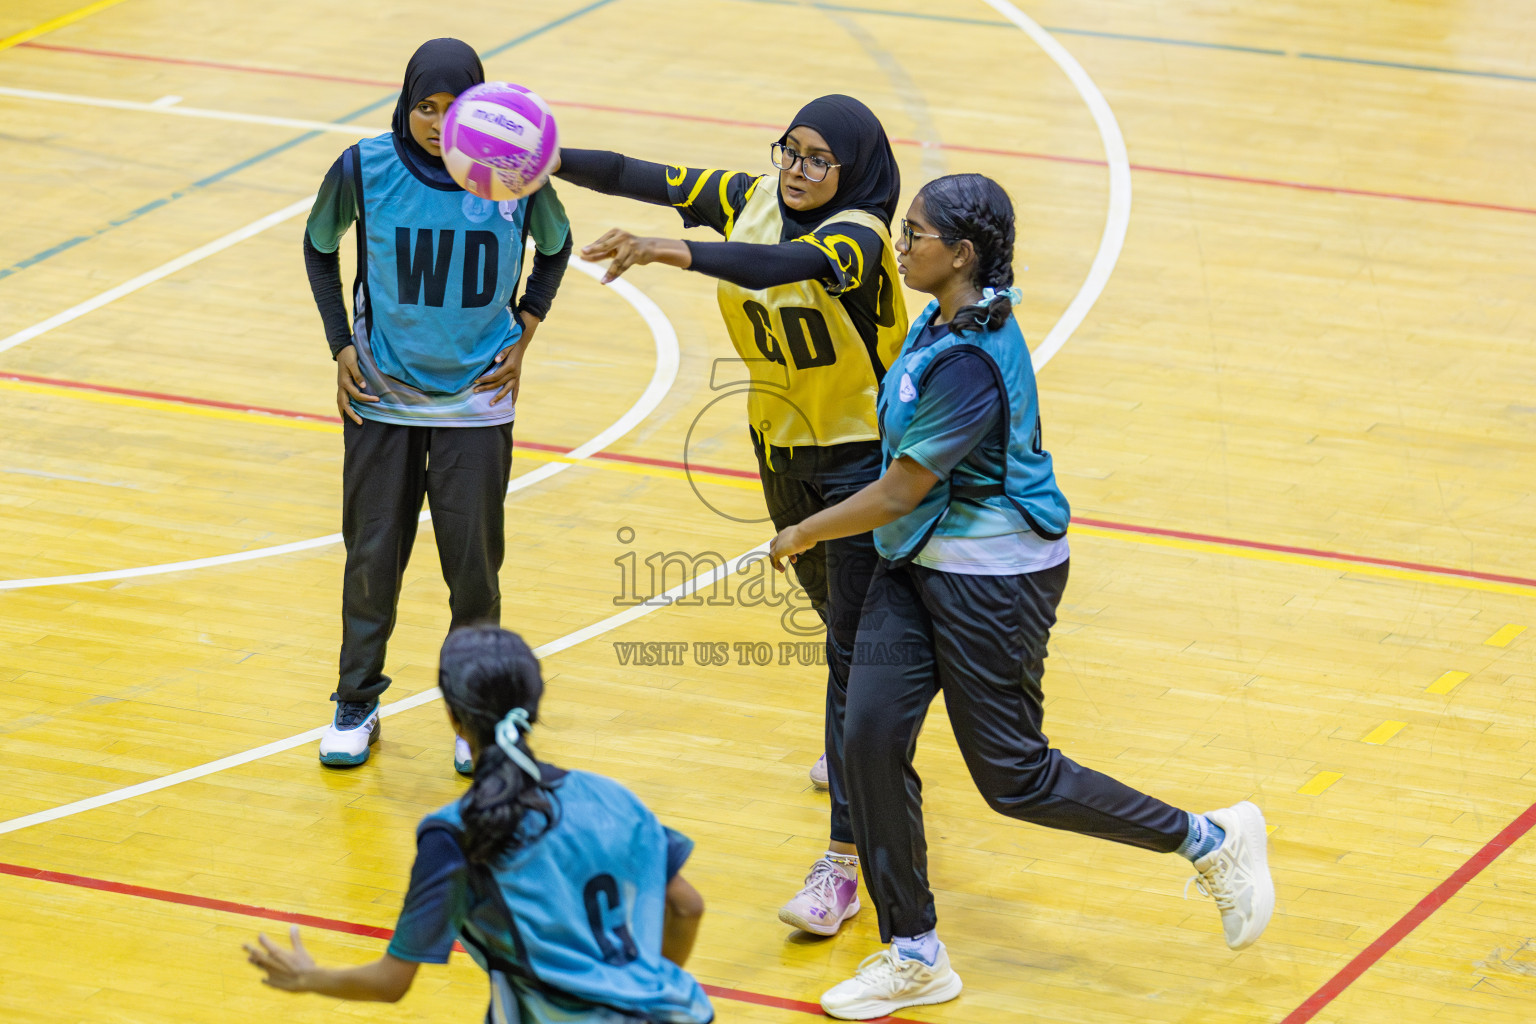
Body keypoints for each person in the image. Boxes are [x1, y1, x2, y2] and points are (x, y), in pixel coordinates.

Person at [768, 174, 1275, 1019]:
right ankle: (915, 951)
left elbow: (900, 489)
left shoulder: (969, 359)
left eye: (917, 233)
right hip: (917, 565)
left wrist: (806, 530)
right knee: (866, 737)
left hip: (992, 582)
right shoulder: (942, 319)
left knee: (1013, 776)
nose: (902, 243)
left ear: (961, 255)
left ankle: (1211, 841)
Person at [553, 95, 907, 938]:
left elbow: (772, 267)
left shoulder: (858, 237)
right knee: (840, 633)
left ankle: (844, 866)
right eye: (792, 149)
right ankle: (868, 731)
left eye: (820, 158)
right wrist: (544, 158)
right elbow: (637, 174)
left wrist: (668, 252)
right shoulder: (745, 192)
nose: (797, 167)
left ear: (852, 170)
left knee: (854, 650)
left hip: (861, 459)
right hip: (780, 448)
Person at [303, 38, 573, 774]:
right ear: (406, 104)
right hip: (382, 400)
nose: (437, 121)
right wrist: (341, 345)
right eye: (426, 107)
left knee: (474, 571)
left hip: (477, 406)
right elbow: (318, 245)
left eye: (456, 108)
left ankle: (476, 715)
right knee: (371, 561)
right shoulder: (365, 168)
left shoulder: (514, 175)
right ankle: (356, 700)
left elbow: (557, 245)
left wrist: (527, 329)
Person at [246, 625, 715, 1024]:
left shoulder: (454, 834)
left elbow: (392, 983)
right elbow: (688, 907)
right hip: (680, 1011)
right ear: (534, 706)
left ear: (454, 718)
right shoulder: (610, 795)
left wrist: (309, 977)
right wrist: (636, 988)